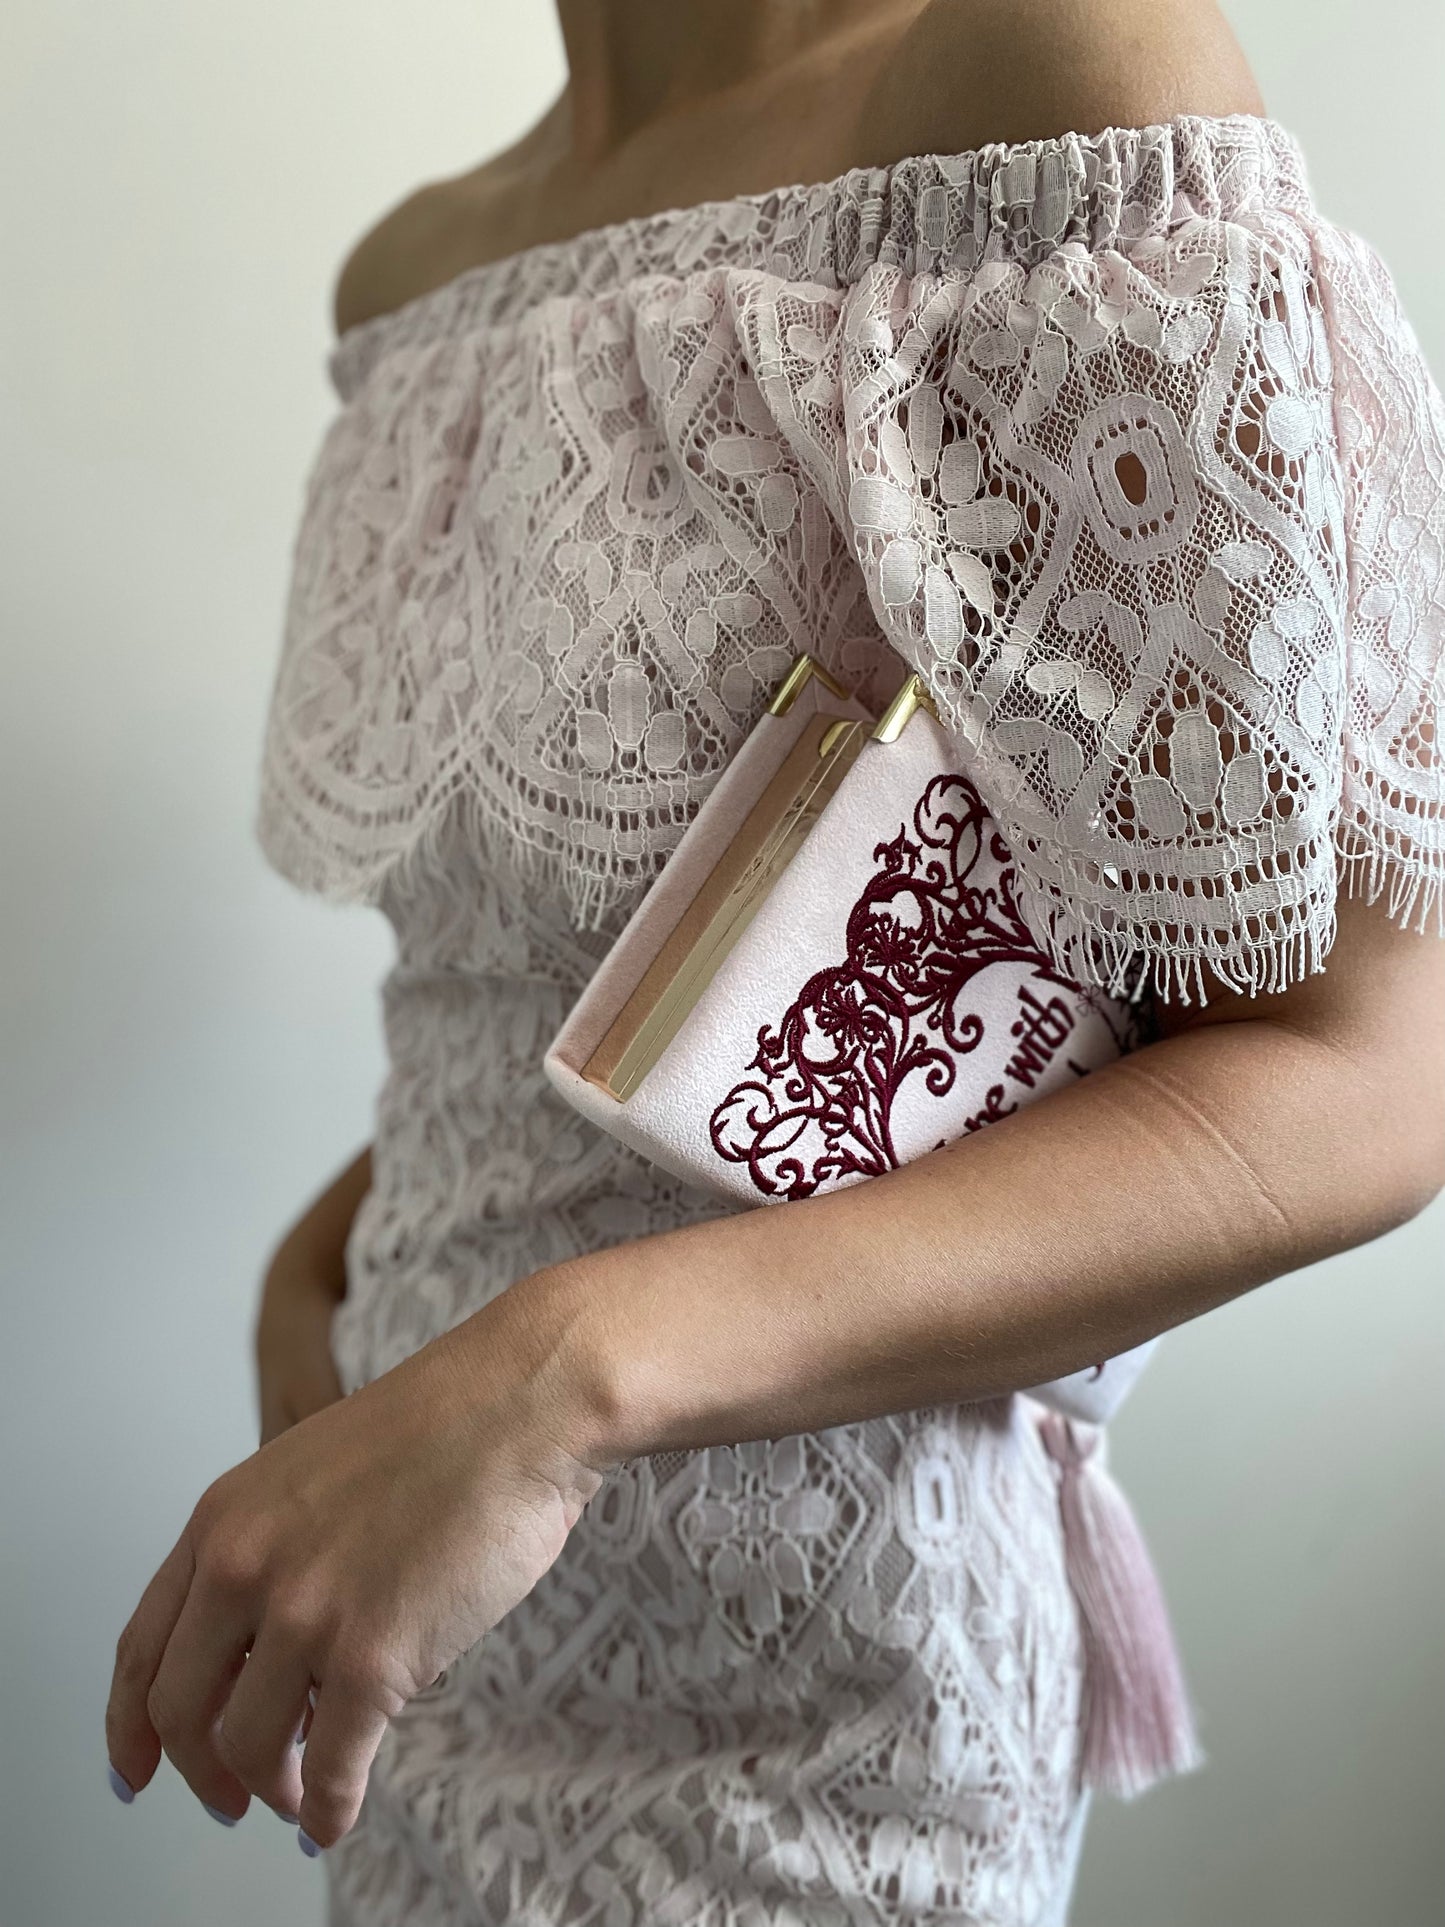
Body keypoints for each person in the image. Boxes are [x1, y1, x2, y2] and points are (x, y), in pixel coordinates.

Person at [106, 4, 1445, 1922]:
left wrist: (553, 1373)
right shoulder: (423, 270)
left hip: (825, 1703)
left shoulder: (1057, 83)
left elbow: (1365, 1069)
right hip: (427, 1662)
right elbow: (565, 970)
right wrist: (325, 1274)